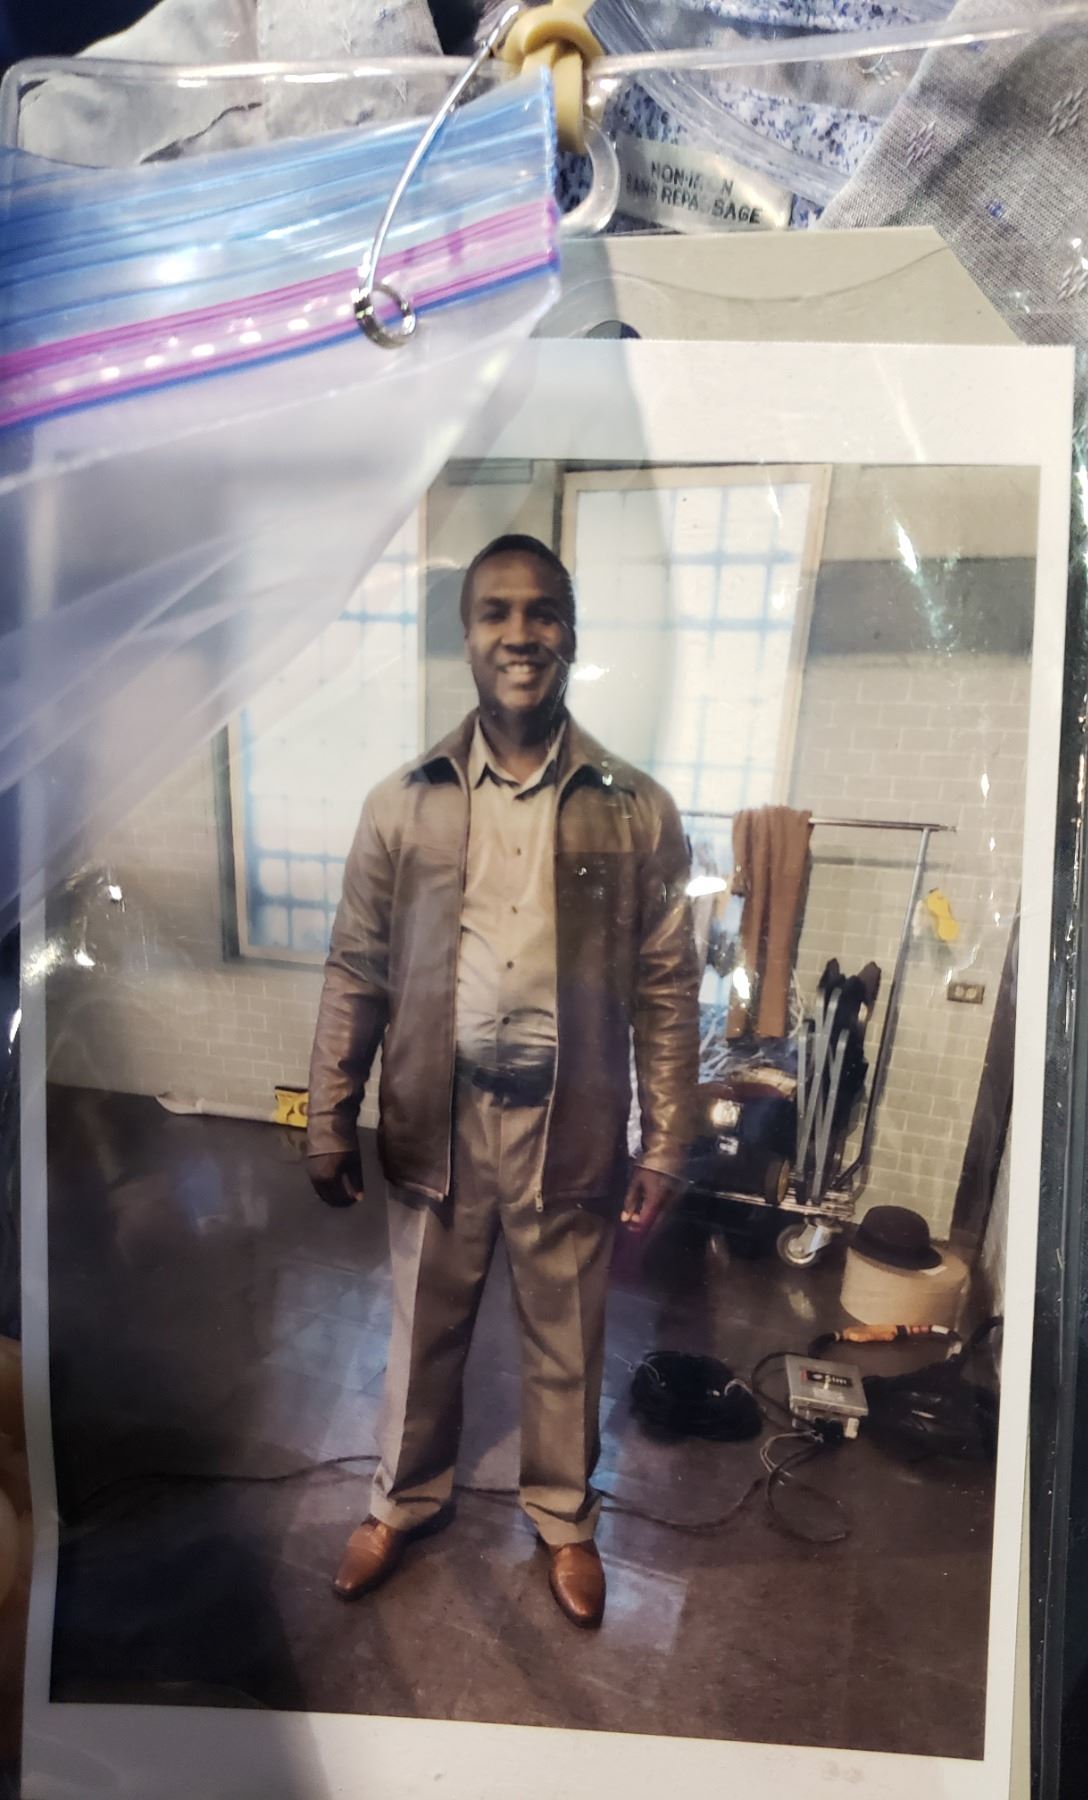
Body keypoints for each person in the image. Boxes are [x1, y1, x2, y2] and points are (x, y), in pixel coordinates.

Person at [304, 533, 700, 1629]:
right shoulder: (404, 804)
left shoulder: (637, 808)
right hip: (439, 1115)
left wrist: (668, 1138)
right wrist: (327, 1112)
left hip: (570, 1122)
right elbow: (357, 967)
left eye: (542, 612)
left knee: (567, 1333)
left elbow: (669, 985)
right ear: (467, 637)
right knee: (422, 1330)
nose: (521, 634)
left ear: (571, 632)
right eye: (496, 613)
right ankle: (400, 1501)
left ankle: (565, 1519)